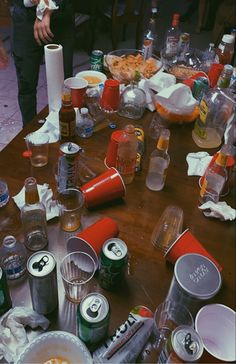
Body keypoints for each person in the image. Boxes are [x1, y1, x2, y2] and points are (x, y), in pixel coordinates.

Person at [11, 0, 75, 126]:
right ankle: (29, 133)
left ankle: (66, 130)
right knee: (26, 86)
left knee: (63, 86)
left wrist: (47, 8)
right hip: (24, 19)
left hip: (60, 16)